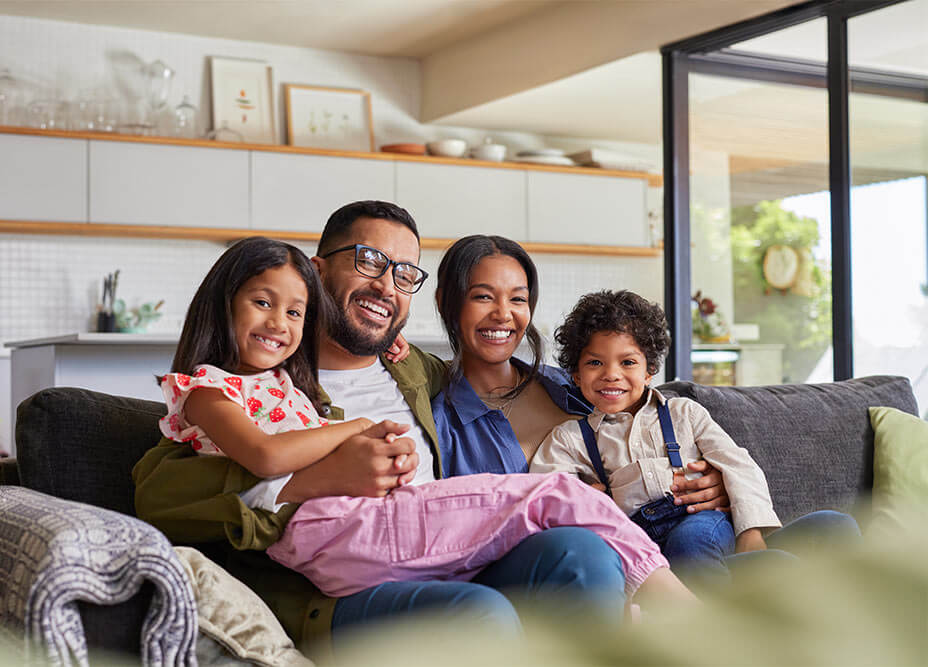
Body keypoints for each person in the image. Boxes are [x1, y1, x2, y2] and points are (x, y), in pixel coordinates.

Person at [133, 202, 688, 649]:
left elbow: (561, 385)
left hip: (443, 554)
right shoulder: (262, 380)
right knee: (478, 614)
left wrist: (684, 463)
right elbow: (159, 492)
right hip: (341, 585)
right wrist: (321, 478)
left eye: (403, 275)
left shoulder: (414, 370)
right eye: (369, 261)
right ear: (316, 270)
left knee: (581, 554)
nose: (386, 286)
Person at [530, 289, 861, 590]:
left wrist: (750, 533)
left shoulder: (684, 414)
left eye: (627, 362)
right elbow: (543, 492)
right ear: (576, 374)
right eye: (595, 363)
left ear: (649, 370)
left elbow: (737, 464)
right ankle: (735, 611)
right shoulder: (571, 437)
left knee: (834, 525)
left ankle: (762, 579)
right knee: (695, 543)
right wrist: (585, 497)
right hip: (656, 554)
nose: (611, 373)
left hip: (713, 528)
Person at [431, 235, 731, 515]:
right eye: (483, 297)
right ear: (446, 302)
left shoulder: (573, 384)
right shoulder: (442, 427)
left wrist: (714, 483)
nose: (503, 313)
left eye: (518, 299)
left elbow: (660, 432)